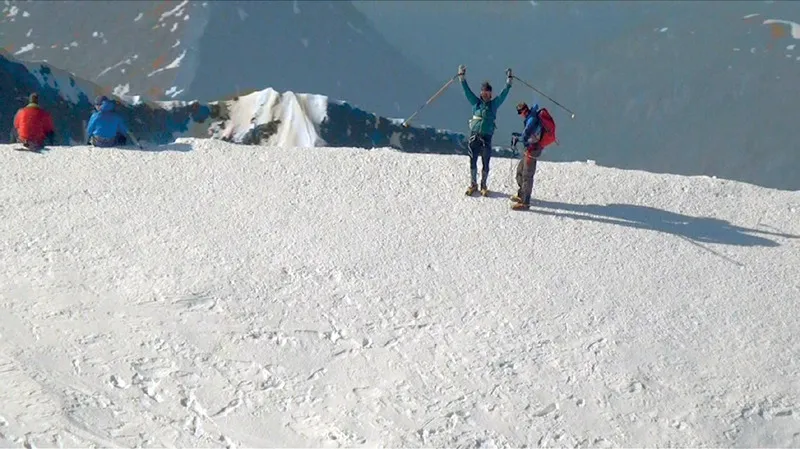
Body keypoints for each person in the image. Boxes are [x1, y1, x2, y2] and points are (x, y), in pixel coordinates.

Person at [457, 64, 512, 196]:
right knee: (473, 160)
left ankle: (483, 185)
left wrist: (509, 82)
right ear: (481, 93)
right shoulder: (476, 103)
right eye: (484, 92)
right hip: (474, 136)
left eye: (488, 93)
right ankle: (473, 184)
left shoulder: (494, 105)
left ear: (490, 94)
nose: (486, 95)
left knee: (486, 161)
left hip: (486, 137)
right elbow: (467, 91)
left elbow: (503, 95)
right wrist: (462, 78)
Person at [510, 102, 544, 210]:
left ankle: (525, 202)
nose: (520, 114)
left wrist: (517, 138)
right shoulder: (531, 117)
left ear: (524, 110)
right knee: (520, 171)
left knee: (527, 175)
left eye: (520, 112)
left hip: (533, 150)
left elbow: (525, 135)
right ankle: (522, 194)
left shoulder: (531, 120)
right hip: (529, 149)